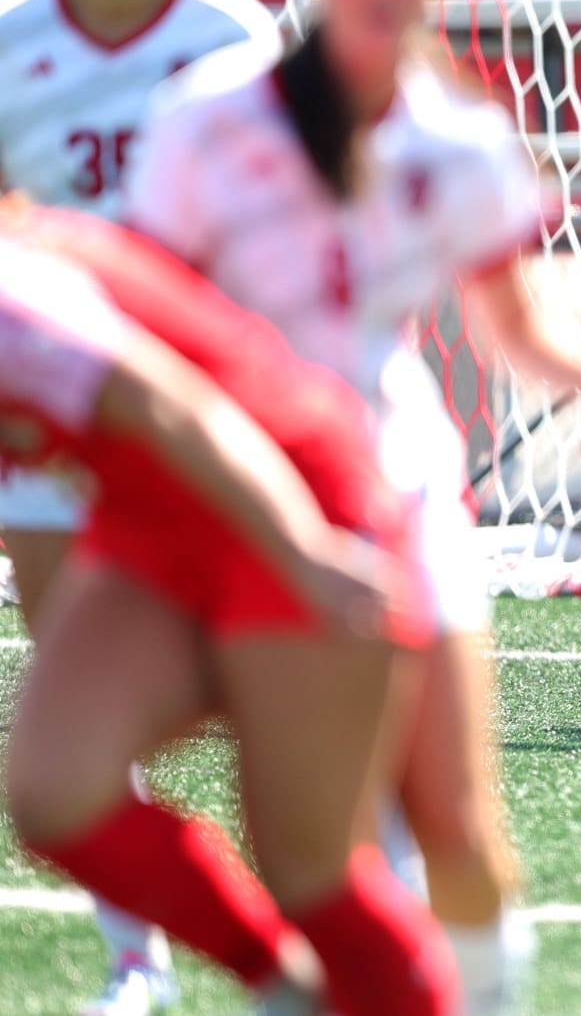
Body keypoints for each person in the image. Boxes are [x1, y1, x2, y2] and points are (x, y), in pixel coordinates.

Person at [127, 0, 581, 1015]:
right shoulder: (211, 118)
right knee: (323, 842)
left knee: (459, 827)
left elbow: (511, 325)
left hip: (401, 493)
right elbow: (153, 301)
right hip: (257, 493)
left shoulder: (460, 143)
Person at [0, 203, 457, 1015]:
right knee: (55, 791)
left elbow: (182, 410)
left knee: (314, 872)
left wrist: (304, 551)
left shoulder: (14, 294)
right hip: (152, 522)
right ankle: (291, 991)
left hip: (292, 495)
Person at [0, 0, 279, 1016]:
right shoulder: (11, 45)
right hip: (58, 416)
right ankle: (137, 959)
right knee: (76, 674)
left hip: (204, 401)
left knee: (268, 669)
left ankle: (336, 910)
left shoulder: (237, 40)